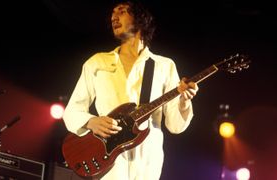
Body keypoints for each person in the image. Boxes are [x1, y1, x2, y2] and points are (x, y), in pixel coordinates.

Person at [63, 1, 199, 180]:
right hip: (108, 160)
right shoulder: (97, 62)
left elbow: (175, 126)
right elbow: (72, 111)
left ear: (140, 19)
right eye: (113, 13)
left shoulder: (164, 66)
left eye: (122, 11)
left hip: (147, 162)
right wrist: (91, 121)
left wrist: (184, 100)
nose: (114, 17)